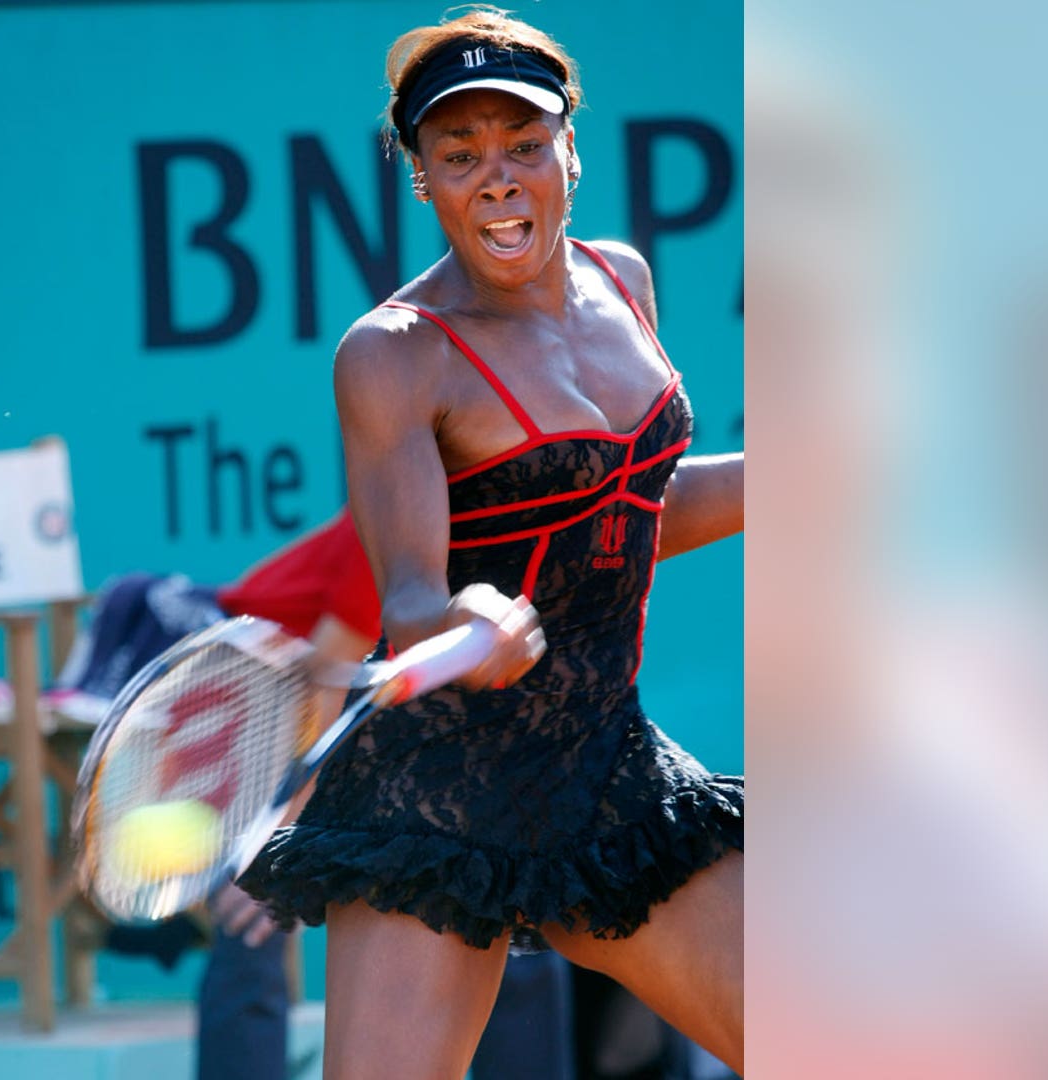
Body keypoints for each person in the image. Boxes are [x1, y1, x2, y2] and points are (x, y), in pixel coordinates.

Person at [237, 11, 746, 1078]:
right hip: (442, 798)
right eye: (459, 156)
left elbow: (626, 518)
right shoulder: (393, 356)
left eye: (523, 145)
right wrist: (466, 619)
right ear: (422, 180)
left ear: (573, 151)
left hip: (609, 771)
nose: (498, 179)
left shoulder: (625, 282)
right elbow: (415, 602)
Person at [47, 511, 579, 1080]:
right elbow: (324, 689)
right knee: (255, 907)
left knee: (511, 906)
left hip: (388, 711)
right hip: (257, 694)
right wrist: (280, 840)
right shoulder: (395, 524)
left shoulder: (531, 509)